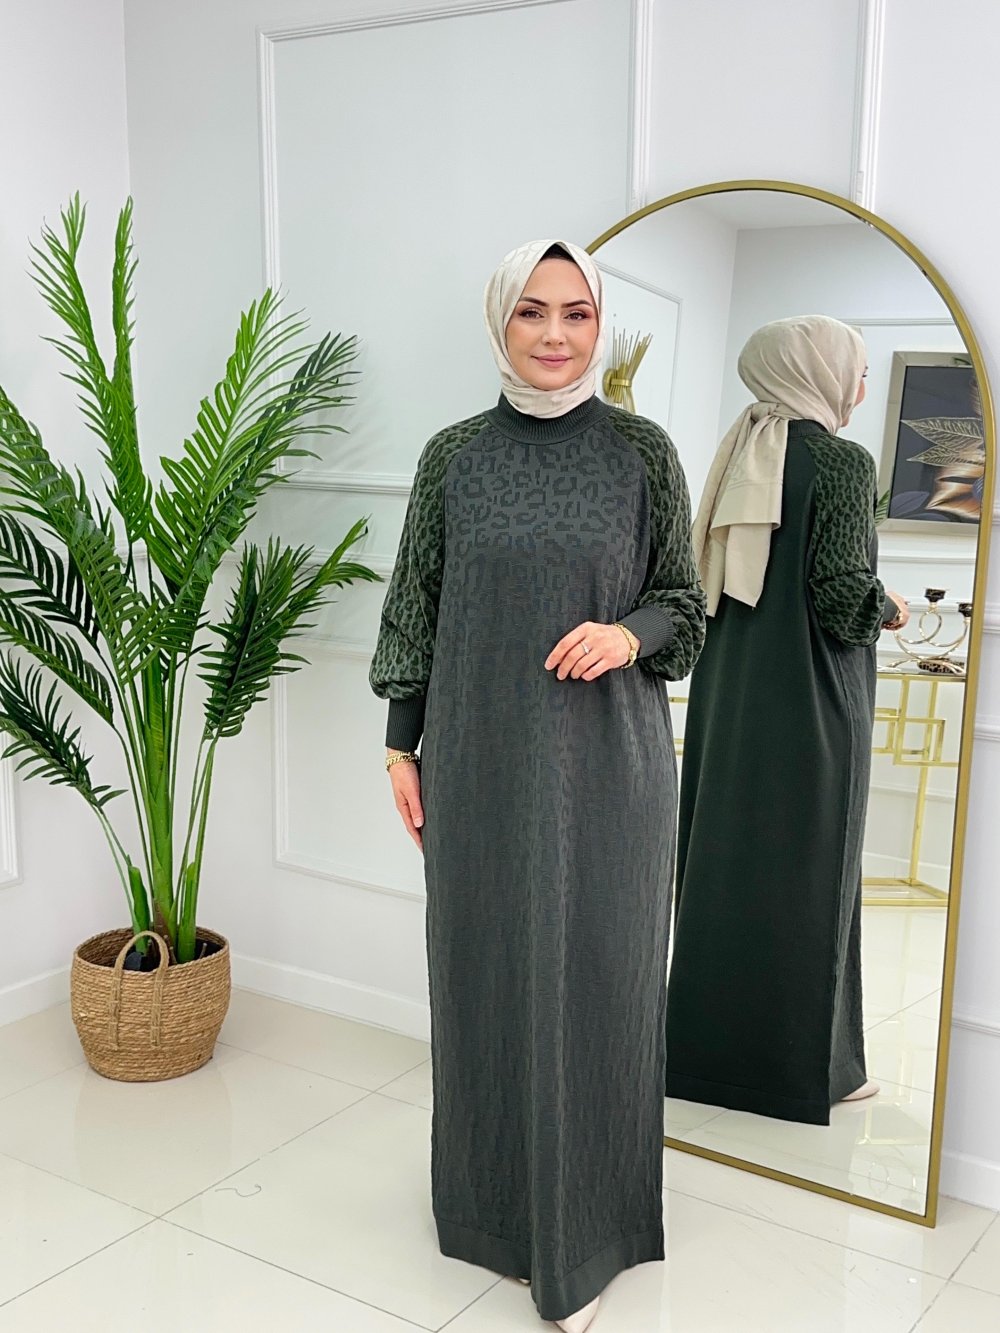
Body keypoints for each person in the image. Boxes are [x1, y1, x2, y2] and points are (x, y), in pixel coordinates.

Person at [369, 238, 705, 1331]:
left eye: (576, 313)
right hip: (479, 764)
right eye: (531, 311)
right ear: (499, 321)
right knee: (483, 975)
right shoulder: (453, 458)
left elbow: (686, 607)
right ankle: (492, 1212)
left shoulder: (642, 453)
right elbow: (415, 605)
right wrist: (401, 744)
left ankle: (589, 1232)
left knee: (602, 986)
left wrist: (626, 632)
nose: (555, 334)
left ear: (597, 324)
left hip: (611, 773)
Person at [664, 314, 909, 1127]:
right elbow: (841, 600)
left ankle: (701, 1059)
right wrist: (889, 606)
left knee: (723, 863)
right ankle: (807, 1072)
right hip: (811, 700)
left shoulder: (740, 451)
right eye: (857, 369)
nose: (862, 385)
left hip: (730, 693)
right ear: (820, 372)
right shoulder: (841, 462)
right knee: (812, 873)